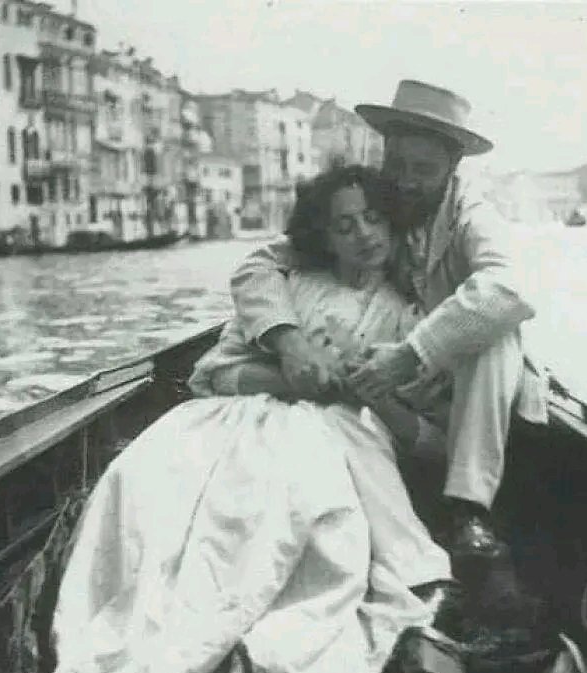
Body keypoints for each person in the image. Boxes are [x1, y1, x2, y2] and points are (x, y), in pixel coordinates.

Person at [51, 165, 456, 673]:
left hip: (338, 429)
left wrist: (364, 392)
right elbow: (214, 375)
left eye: (373, 218)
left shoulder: (410, 320)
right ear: (322, 237)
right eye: (344, 226)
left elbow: (429, 438)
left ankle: (263, 631)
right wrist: (289, 376)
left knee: (297, 487)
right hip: (235, 416)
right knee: (147, 476)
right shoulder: (286, 287)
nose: (364, 234)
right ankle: (193, 630)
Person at [229, 80, 548, 612]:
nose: (405, 181)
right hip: (388, 368)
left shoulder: (473, 215)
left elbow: (510, 288)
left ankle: (468, 509)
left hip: (455, 372)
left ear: (452, 167)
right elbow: (262, 263)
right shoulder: (377, 202)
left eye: (422, 171)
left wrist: (411, 353)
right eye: (397, 164)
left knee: (497, 333)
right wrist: (289, 344)